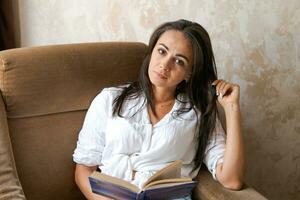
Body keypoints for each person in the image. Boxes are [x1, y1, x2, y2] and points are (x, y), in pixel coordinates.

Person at [73, 19, 245, 200]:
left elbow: (232, 180)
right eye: (162, 51)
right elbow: (84, 169)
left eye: (179, 61)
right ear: (151, 52)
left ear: (190, 72)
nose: (165, 64)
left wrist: (232, 108)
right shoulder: (109, 99)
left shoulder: (199, 112)